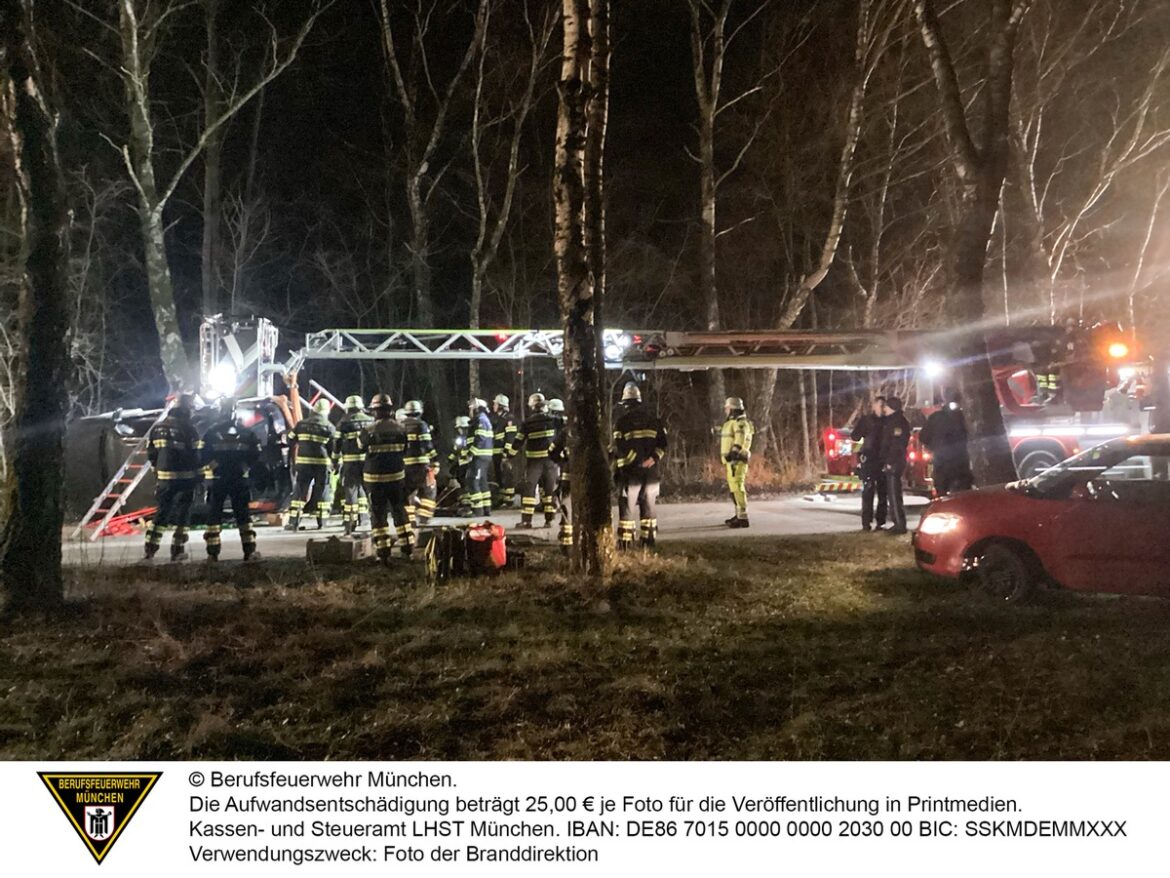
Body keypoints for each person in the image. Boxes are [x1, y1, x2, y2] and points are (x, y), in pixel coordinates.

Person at [198, 397, 262, 560]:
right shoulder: (246, 433)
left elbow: (201, 455)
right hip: (238, 479)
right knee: (243, 515)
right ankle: (249, 550)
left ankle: (213, 553)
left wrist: (214, 466)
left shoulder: (211, 433)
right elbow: (256, 454)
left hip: (218, 479)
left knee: (214, 515)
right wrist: (244, 467)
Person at [143, 392, 200, 562]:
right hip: (185, 480)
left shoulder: (157, 428)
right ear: (186, 409)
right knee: (183, 517)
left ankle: (150, 550)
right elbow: (196, 456)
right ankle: (177, 550)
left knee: (161, 514)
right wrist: (199, 477)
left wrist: (158, 471)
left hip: (164, 480)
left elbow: (151, 453)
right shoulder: (189, 429)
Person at [612, 382, 668, 549]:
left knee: (627, 505)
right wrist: (652, 459)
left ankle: (625, 543)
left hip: (630, 473)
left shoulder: (622, 422)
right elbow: (663, 444)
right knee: (649, 505)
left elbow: (618, 447)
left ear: (626, 404)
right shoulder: (654, 421)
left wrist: (627, 464)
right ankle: (648, 540)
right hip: (650, 472)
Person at [359, 393, 413, 563]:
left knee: (378, 515)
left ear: (375, 411)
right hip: (396, 478)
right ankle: (407, 550)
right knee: (400, 511)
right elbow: (405, 449)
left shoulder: (368, 431)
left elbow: (360, 447)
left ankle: (383, 554)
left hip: (374, 480)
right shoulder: (401, 429)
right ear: (390, 410)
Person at [507, 392, 560, 529]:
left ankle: (526, 521)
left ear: (532, 407)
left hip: (534, 463)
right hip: (551, 462)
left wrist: (509, 457)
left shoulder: (528, 423)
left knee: (529, 492)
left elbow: (518, 442)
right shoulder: (554, 421)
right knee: (549, 492)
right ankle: (549, 521)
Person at [285, 398, 337, 531]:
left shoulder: (301, 425)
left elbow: (289, 439)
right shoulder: (329, 427)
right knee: (323, 490)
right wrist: (335, 463)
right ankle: (322, 522)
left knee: (299, 490)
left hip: (303, 463)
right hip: (322, 464)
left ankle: (293, 522)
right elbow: (334, 448)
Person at [920, 390, 974, 497]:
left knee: (941, 491)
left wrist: (933, 446)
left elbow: (923, 437)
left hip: (941, 461)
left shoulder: (935, 417)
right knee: (962, 493)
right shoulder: (966, 417)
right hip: (961, 461)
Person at [334, 395, 373, 534]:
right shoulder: (370, 421)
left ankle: (350, 521)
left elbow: (337, 443)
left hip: (350, 462)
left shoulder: (343, 422)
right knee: (367, 489)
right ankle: (367, 517)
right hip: (368, 462)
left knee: (351, 490)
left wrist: (335, 460)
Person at [851, 395, 887, 531]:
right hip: (870, 459)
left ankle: (881, 522)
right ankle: (866, 523)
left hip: (883, 459)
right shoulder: (867, 421)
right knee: (868, 492)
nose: (882, 408)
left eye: (883, 405)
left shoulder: (888, 421)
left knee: (883, 493)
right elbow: (855, 436)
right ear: (874, 406)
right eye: (879, 405)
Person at [402, 399, 439, 528]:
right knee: (429, 490)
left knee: (408, 494)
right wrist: (435, 461)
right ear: (419, 412)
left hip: (405, 467)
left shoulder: (400, 425)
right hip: (421, 465)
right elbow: (427, 444)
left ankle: (410, 519)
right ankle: (424, 518)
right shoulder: (421, 425)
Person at [720, 396, 755, 528]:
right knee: (734, 489)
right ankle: (738, 515)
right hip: (731, 461)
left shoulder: (740, 423)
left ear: (733, 409)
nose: (726, 411)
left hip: (736, 461)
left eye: (728, 408)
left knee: (738, 488)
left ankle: (743, 517)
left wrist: (734, 453)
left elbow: (740, 439)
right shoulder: (733, 422)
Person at [880, 396, 911, 535]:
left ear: (892, 407)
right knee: (892, 494)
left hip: (894, 463)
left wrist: (890, 462)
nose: (884, 409)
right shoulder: (892, 421)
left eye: (886, 406)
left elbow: (896, 445)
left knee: (894, 494)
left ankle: (899, 524)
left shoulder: (897, 423)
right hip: (893, 461)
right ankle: (897, 522)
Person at [547, 398, 572, 552]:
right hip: (588, 479)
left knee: (567, 509)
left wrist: (562, 462)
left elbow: (551, 451)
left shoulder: (565, 432)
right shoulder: (594, 431)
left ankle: (567, 545)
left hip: (568, 475)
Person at [467, 398, 494, 516]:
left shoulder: (480, 420)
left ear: (477, 409)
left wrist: (471, 452)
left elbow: (480, 438)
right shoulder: (483, 419)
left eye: (472, 409)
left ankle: (477, 510)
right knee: (482, 482)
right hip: (484, 455)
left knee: (473, 480)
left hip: (479, 455)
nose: (470, 411)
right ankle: (486, 509)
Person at [490, 394, 518, 507]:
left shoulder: (509, 419)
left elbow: (510, 437)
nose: (493, 406)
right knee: (499, 476)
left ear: (501, 406)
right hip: (496, 454)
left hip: (504, 453)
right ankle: (502, 498)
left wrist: (506, 453)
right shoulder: (498, 419)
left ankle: (509, 499)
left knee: (507, 475)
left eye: (495, 404)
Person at [447, 415, 473, 516]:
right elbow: (456, 451)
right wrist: (450, 460)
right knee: (462, 482)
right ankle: (465, 504)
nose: (459, 431)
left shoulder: (469, 438)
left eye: (460, 428)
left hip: (468, 464)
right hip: (462, 464)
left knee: (466, 484)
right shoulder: (461, 439)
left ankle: (468, 505)